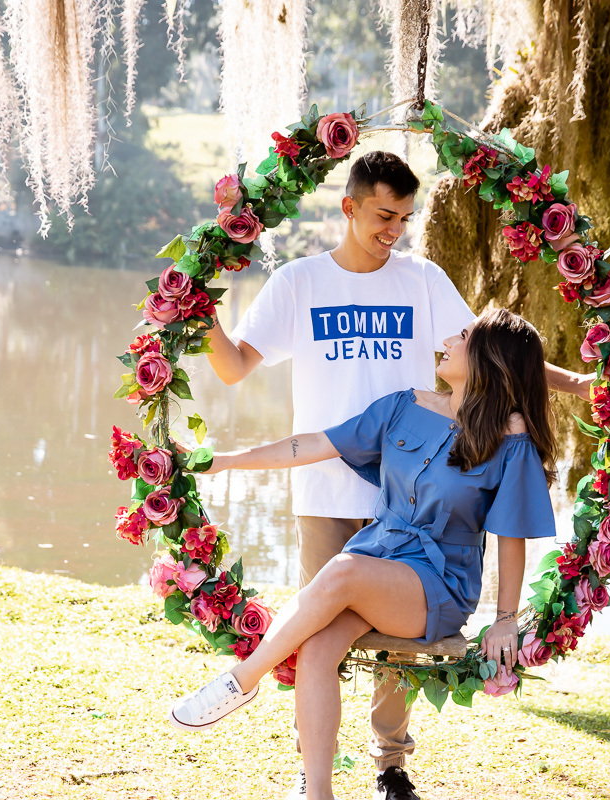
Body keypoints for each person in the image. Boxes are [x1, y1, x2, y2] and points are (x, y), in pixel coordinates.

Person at [204, 150, 589, 800]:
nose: (394, 229)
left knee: (396, 648)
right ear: (349, 206)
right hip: (329, 489)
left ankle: (390, 765)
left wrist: (573, 382)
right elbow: (235, 366)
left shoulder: (421, 280)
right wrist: (200, 305)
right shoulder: (300, 283)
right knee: (321, 638)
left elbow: (497, 352)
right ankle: (313, 772)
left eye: (404, 218)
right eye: (384, 214)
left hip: (422, 494)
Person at [172, 308, 560, 800]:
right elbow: (314, 443)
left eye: (462, 336)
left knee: (344, 571)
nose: (446, 340)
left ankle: (242, 679)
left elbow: (512, 537)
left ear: (491, 358)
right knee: (316, 649)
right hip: (377, 556)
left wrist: (506, 618)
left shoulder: (511, 440)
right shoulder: (403, 406)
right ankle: (318, 794)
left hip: (437, 584)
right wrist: (227, 461)